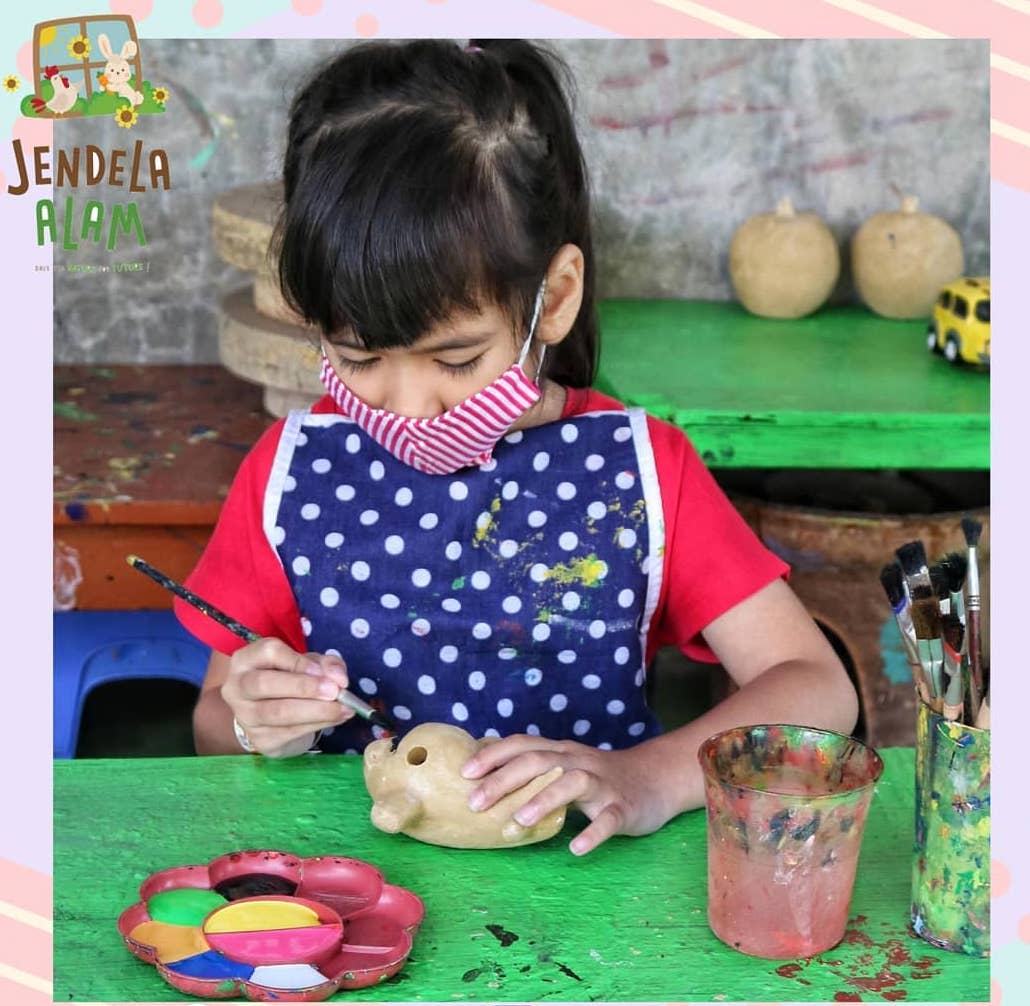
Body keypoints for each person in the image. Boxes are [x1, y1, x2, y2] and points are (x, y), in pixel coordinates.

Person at [180, 38, 858, 856]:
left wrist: (651, 777)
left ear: (555, 299)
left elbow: (818, 690)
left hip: (587, 893)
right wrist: (252, 723)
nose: (411, 406)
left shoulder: (640, 473)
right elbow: (213, 721)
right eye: (358, 357)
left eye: (456, 358)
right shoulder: (291, 476)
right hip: (344, 886)